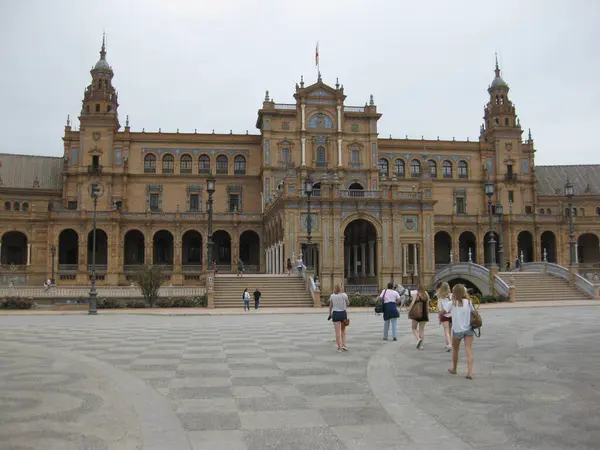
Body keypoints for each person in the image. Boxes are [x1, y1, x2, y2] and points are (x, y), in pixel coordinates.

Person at [444, 283, 475, 379]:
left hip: (457, 330)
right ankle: (469, 372)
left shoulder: (452, 303)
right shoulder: (469, 302)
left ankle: (454, 368)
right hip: (469, 328)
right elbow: (473, 312)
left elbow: (445, 311)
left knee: (455, 351)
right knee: (468, 350)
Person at [407, 285, 430, 349]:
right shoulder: (426, 295)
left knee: (414, 328)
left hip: (416, 314)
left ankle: (418, 338)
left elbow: (412, 304)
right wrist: (427, 315)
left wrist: (409, 312)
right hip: (424, 315)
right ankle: (421, 346)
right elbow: (427, 306)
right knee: (421, 330)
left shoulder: (416, 295)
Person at [328, 284, 349, 352]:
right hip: (343, 313)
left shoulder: (332, 296)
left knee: (337, 332)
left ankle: (339, 347)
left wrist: (329, 313)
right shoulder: (344, 295)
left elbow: (331, 305)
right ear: (341, 289)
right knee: (343, 331)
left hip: (335, 313)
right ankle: (343, 345)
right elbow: (348, 303)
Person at [437, 282, 453, 352]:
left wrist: (439, 318)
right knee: (449, 329)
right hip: (451, 314)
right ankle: (448, 343)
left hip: (444, 314)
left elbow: (440, 309)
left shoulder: (440, 297)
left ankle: (448, 344)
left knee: (446, 330)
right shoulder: (452, 296)